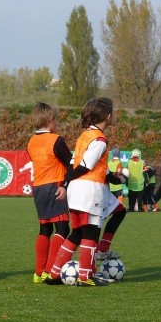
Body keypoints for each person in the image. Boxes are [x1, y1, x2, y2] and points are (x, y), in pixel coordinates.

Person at [47, 97, 127, 286]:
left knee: (77, 232)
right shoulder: (100, 139)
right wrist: (69, 179)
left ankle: (54, 273)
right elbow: (86, 165)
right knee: (91, 231)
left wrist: (115, 178)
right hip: (89, 190)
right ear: (108, 116)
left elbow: (93, 165)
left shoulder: (85, 135)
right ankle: (86, 276)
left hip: (78, 191)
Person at [26, 102, 72, 284]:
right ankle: (51, 269)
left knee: (45, 229)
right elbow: (70, 163)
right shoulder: (56, 140)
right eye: (55, 119)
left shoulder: (31, 141)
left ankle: (38, 272)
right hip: (55, 186)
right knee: (63, 228)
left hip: (38, 187)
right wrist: (65, 185)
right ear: (50, 120)